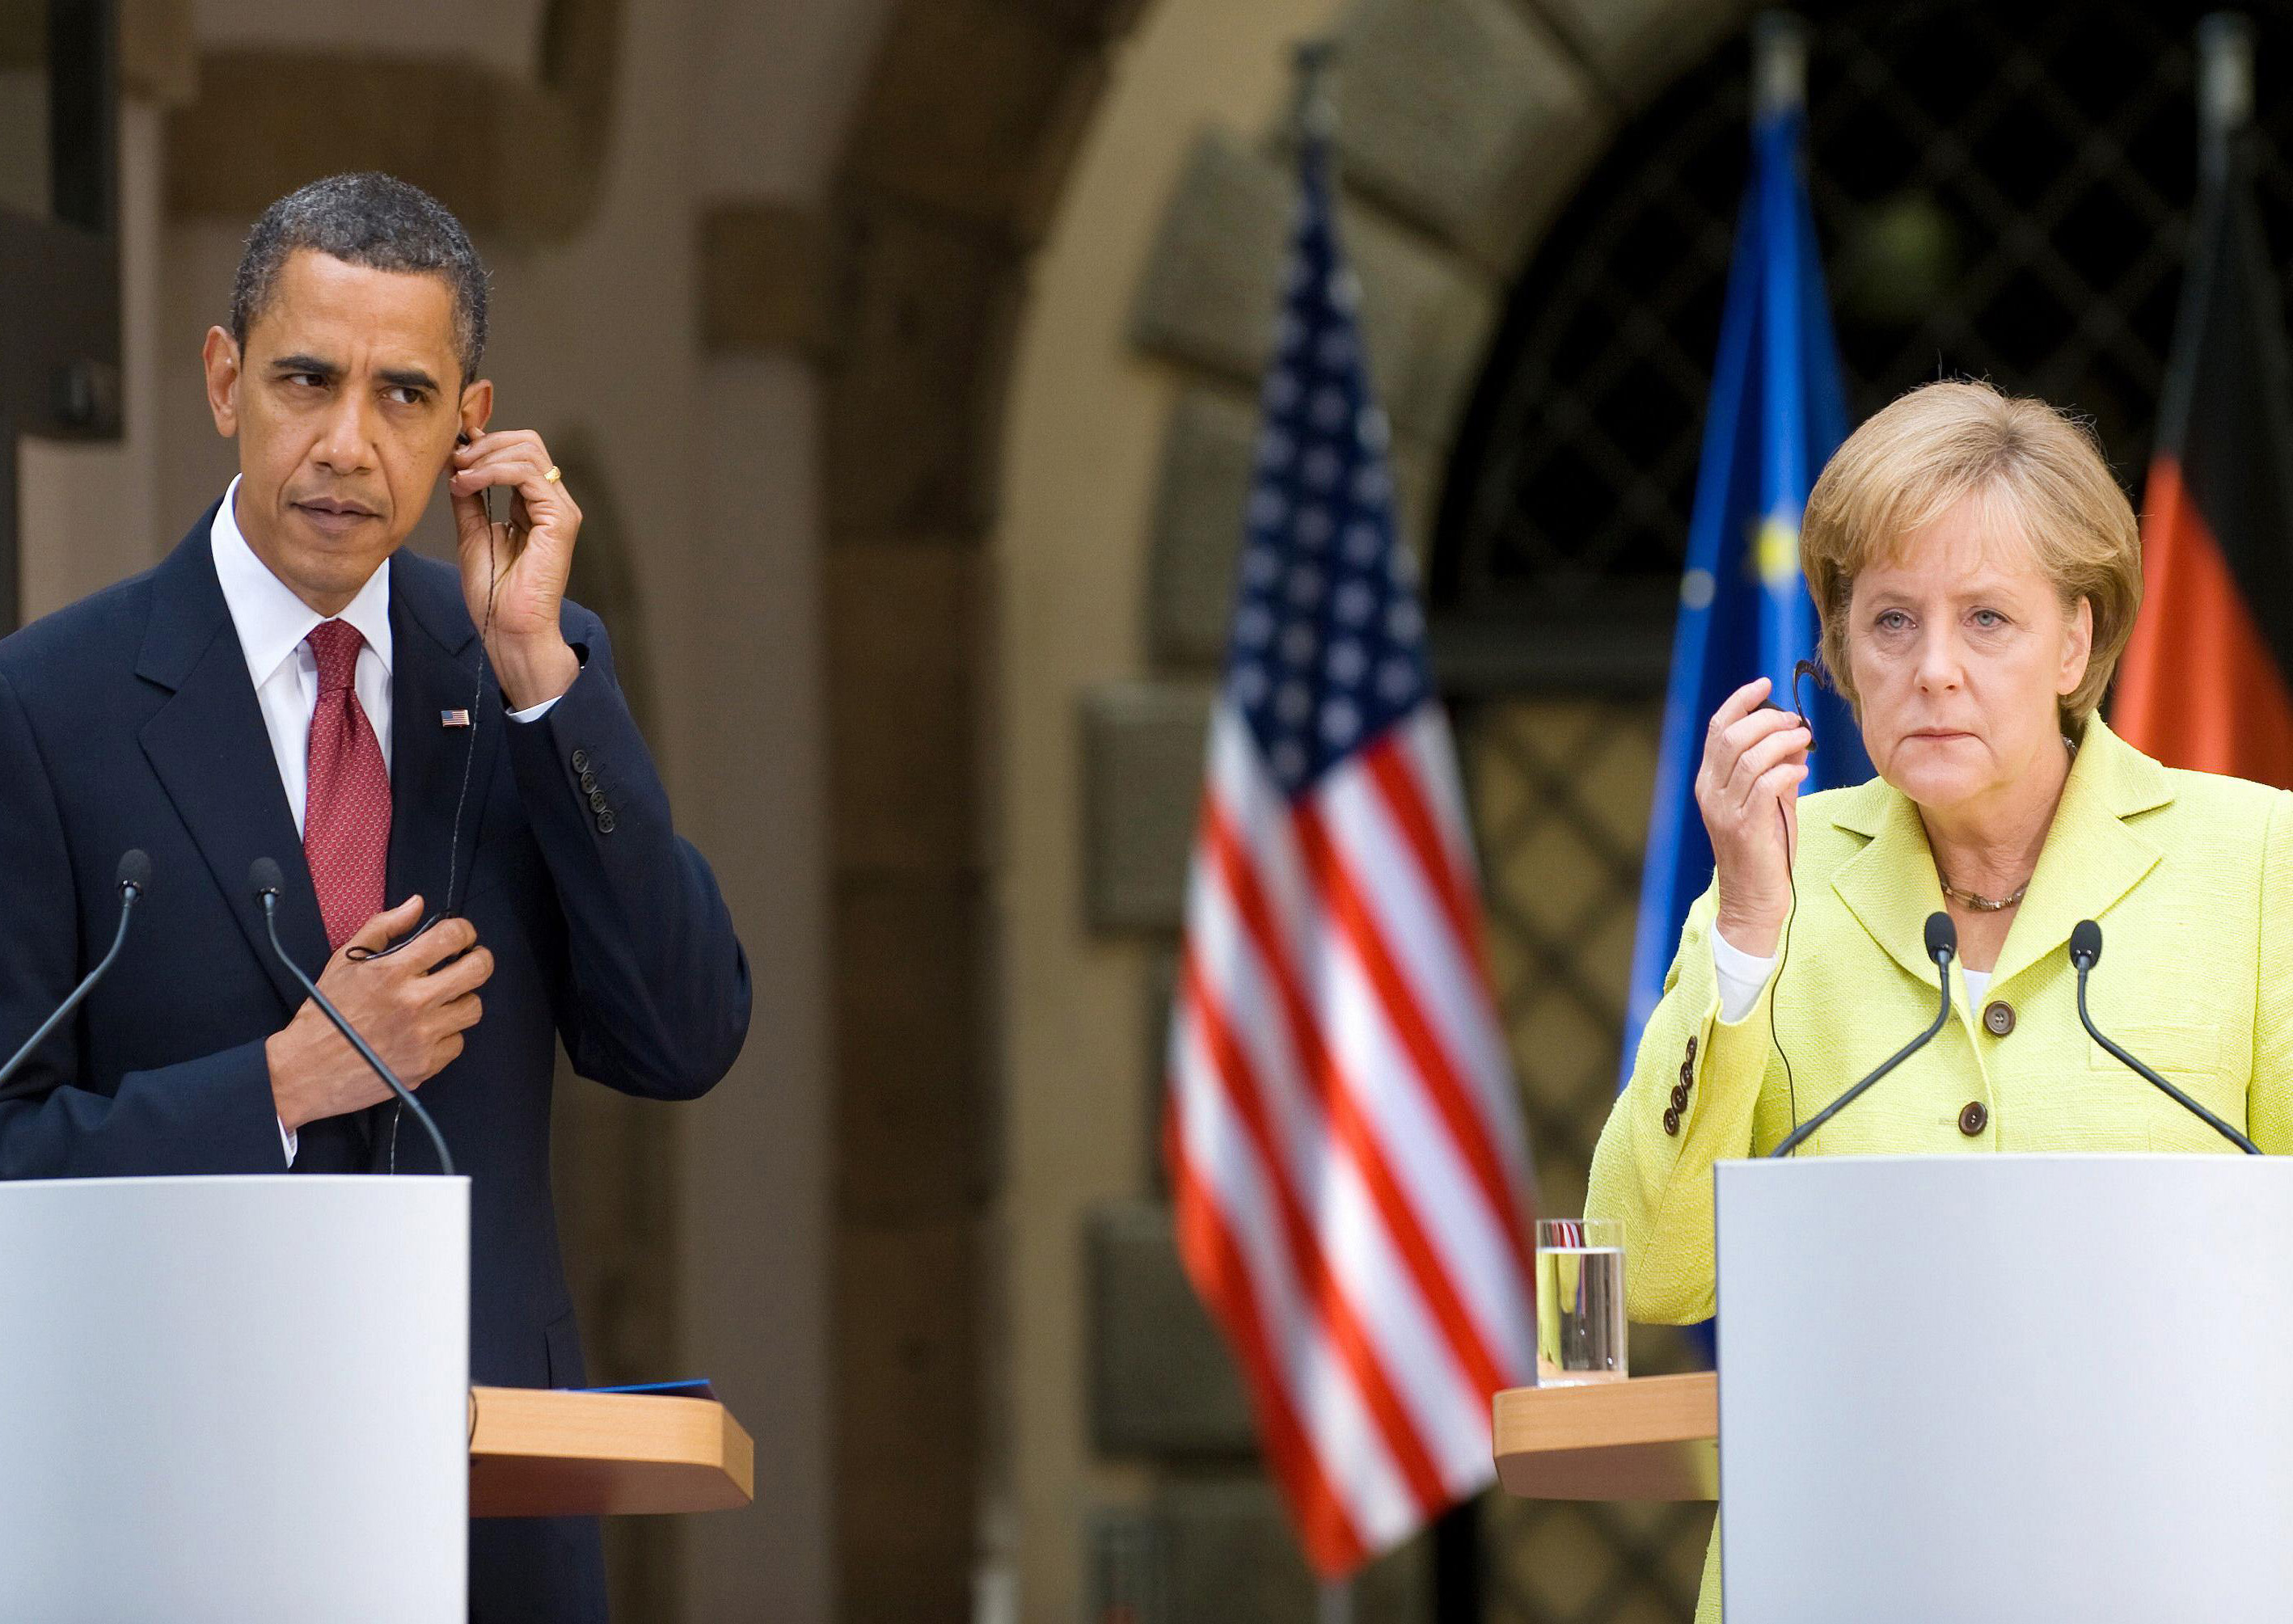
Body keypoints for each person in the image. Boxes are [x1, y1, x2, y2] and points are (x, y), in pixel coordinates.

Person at [0, 172, 751, 1621]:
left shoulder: (529, 669)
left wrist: (543, 679)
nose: (348, 444)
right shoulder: (51, 706)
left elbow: (683, 1033)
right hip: (174, 1506)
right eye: (305, 379)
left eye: (404, 395)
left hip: (491, 1523)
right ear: (225, 382)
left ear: (473, 425)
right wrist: (284, 1080)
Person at [1587, 378, 2293, 1621]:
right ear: (1842, 654)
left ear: (2077, 641)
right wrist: (1747, 935)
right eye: (1893, 621)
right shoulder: (1769, 876)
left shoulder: (2254, 863)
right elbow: (1646, 1271)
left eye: (1988, 620)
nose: (1936, 671)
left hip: (2164, 1572)